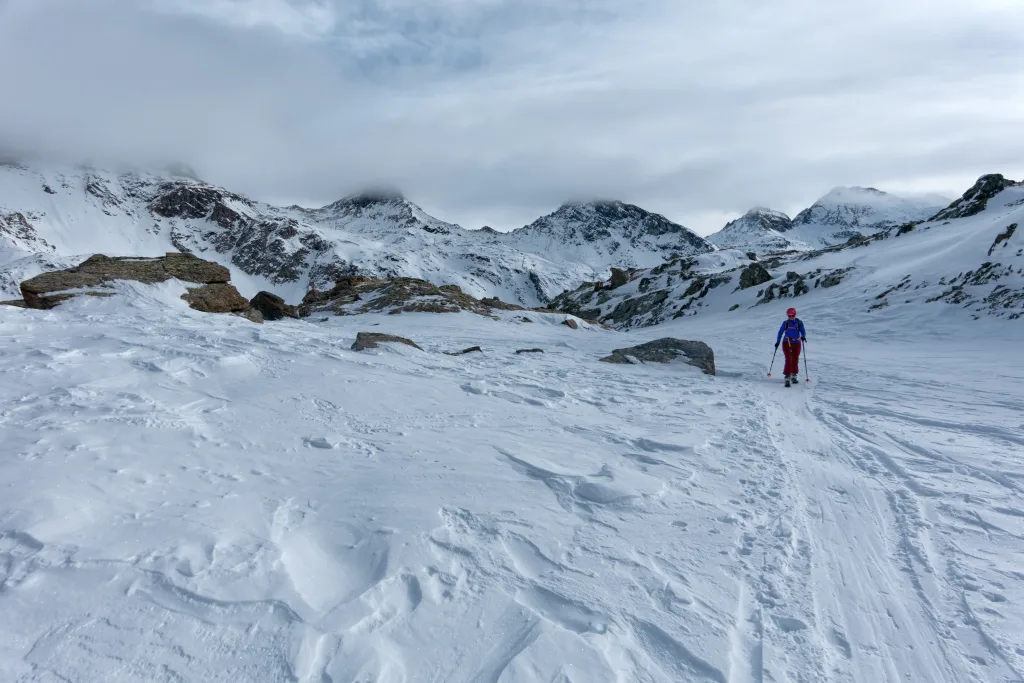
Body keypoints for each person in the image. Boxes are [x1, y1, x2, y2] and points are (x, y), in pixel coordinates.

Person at [775, 307, 806, 384]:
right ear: (787, 315)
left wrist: (803, 336)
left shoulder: (799, 322)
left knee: (795, 358)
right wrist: (778, 342)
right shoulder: (785, 323)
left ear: (795, 314)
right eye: (789, 316)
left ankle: (794, 375)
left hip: (797, 343)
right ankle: (787, 376)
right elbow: (780, 332)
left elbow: (803, 330)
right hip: (787, 342)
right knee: (789, 358)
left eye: (793, 315)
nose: (791, 317)